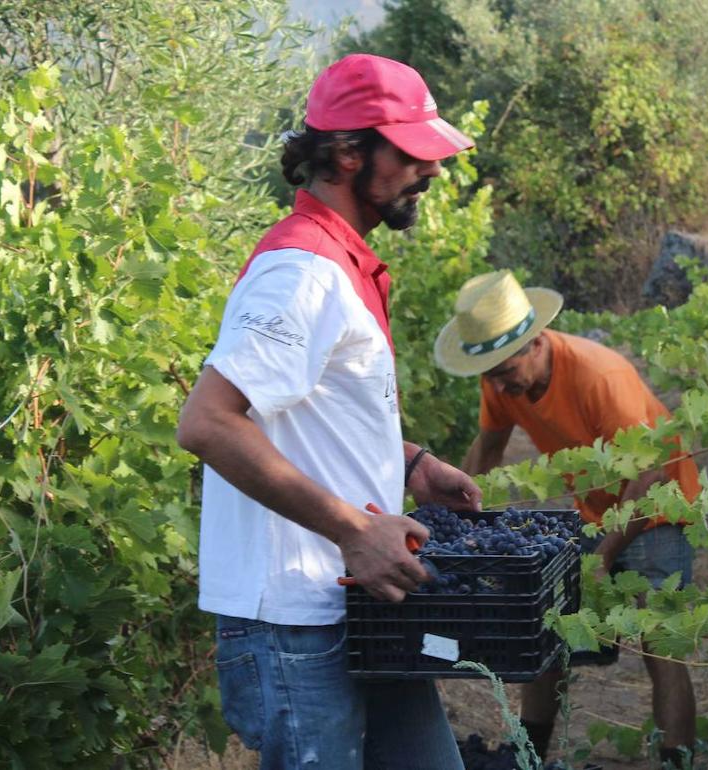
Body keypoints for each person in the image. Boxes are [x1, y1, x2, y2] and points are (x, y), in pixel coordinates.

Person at [175, 54, 482, 770]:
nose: (431, 170)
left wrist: (411, 465)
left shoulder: (338, 263)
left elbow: (312, 416)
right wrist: (355, 531)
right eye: (413, 153)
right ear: (348, 153)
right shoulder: (301, 271)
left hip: (356, 601)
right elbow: (209, 422)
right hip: (295, 624)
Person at [434, 270, 700, 769]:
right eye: (489, 374)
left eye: (504, 369)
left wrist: (604, 556)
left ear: (535, 343)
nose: (498, 383)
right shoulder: (503, 380)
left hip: (657, 507)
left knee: (661, 645)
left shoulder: (600, 376)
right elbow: (488, 447)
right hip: (596, 512)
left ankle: (678, 762)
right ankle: (528, 758)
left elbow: (650, 475)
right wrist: (459, 522)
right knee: (546, 633)